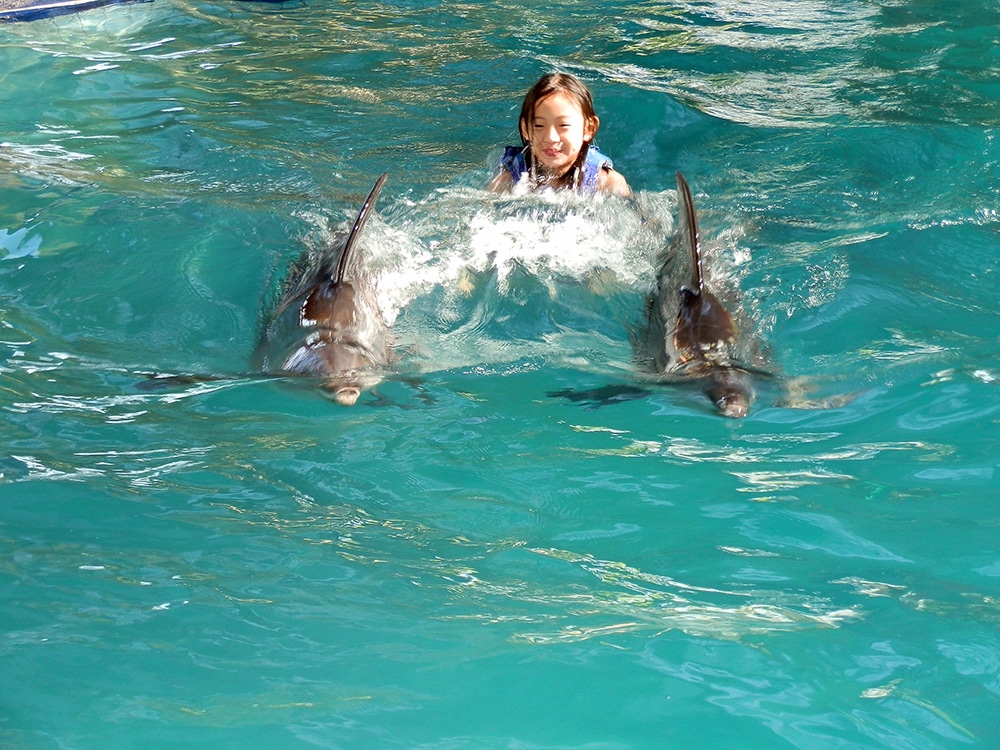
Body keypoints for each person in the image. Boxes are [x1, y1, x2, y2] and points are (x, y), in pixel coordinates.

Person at [489, 72, 631, 197]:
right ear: (526, 129)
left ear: (588, 128)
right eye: (539, 125)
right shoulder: (510, 181)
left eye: (563, 125)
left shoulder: (607, 183)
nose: (550, 137)